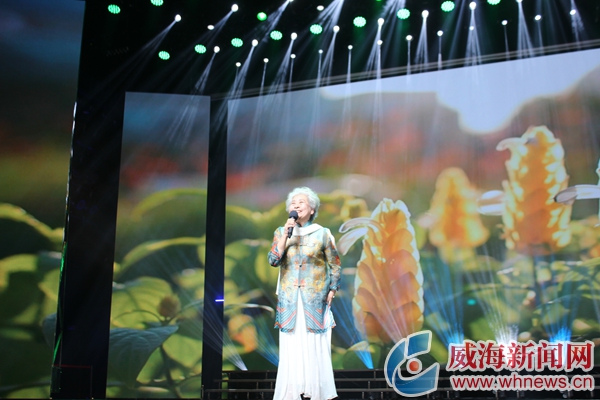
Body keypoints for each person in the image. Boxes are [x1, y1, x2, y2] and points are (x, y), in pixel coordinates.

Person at [268, 186, 341, 400]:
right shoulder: (281, 232)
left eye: (301, 202)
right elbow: (273, 260)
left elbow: (335, 264)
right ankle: (292, 391)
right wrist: (285, 235)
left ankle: (316, 390)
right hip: (290, 298)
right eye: (293, 203)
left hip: (314, 297)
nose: (296, 206)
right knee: (291, 343)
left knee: (313, 342)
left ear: (312, 209)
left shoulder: (322, 233)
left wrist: (332, 289)